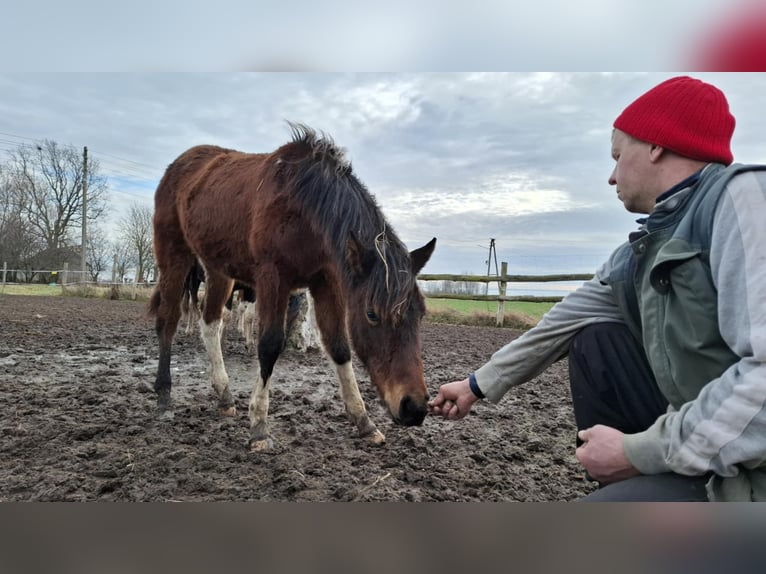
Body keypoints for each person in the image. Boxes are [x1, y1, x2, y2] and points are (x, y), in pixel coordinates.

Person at [428, 75, 766, 502]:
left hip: (753, 468)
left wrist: (637, 451)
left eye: (618, 155)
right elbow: (560, 324)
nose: (611, 176)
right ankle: (645, 489)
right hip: (708, 448)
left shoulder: (746, 200)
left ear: (655, 145)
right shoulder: (642, 251)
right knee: (595, 339)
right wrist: (476, 385)